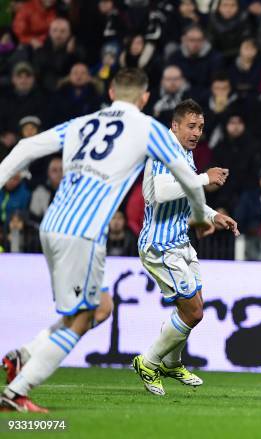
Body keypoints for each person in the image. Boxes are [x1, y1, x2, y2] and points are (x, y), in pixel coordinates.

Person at [0, 68, 212, 412]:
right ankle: (16, 393)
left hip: (50, 225)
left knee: (91, 307)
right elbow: (187, 178)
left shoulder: (82, 123)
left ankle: (21, 356)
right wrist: (202, 216)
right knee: (93, 312)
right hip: (83, 232)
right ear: (144, 98)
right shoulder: (147, 129)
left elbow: (25, 147)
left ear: (112, 91)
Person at [136, 99, 239, 396]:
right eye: (191, 126)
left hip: (180, 242)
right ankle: (149, 361)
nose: (197, 133)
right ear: (175, 125)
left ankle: (171, 363)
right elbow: (163, 192)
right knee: (193, 312)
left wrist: (212, 215)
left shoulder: (184, 154)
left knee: (194, 308)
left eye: (201, 127)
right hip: (160, 245)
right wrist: (205, 178)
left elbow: (185, 193)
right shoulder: (162, 153)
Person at [29, 156, 62, 224]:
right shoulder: (39, 192)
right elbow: (34, 220)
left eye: (61, 170)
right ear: (48, 173)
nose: (59, 174)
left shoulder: (73, 190)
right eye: (54, 170)